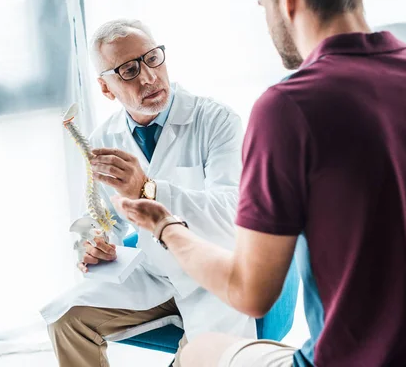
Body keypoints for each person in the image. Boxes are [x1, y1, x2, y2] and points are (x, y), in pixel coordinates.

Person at [111, 0, 406, 366]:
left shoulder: (288, 108)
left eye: (262, 4)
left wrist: (165, 226)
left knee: (199, 352)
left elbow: (251, 293)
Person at [40, 19, 255, 367]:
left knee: (202, 359)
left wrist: (147, 188)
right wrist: (95, 243)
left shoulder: (218, 122)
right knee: (66, 320)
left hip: (214, 275)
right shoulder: (103, 138)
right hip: (154, 274)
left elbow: (232, 214)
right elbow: (102, 218)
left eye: (152, 59)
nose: (148, 77)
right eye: (128, 70)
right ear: (106, 88)